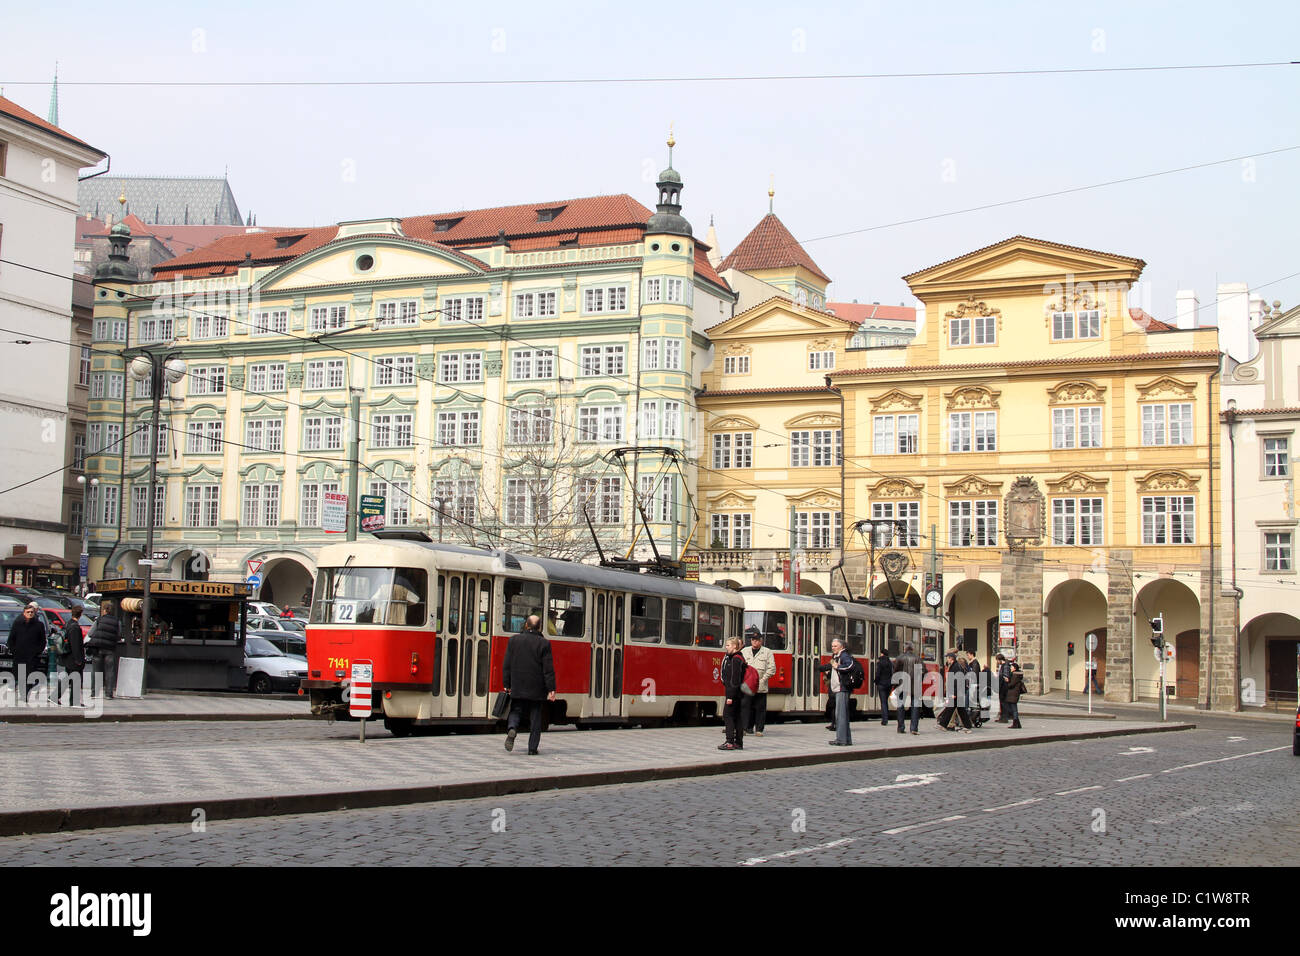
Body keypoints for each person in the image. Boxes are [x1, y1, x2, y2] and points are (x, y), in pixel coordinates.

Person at [502, 614, 556, 755]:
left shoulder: (513, 641)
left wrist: (506, 684)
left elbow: (506, 665)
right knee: (536, 717)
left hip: (518, 684)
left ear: (526, 625)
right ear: (539, 627)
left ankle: (512, 728)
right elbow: (548, 669)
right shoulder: (544, 643)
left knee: (515, 710)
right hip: (537, 688)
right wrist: (551, 689)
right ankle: (532, 749)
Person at [742, 626, 776, 737]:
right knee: (746, 707)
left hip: (761, 685)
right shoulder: (745, 651)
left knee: (760, 708)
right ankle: (746, 728)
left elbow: (772, 668)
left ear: (761, 640)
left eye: (756, 640)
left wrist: (763, 679)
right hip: (747, 685)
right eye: (753, 639)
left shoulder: (767, 652)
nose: (754, 641)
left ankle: (759, 729)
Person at [8, 602, 47, 698]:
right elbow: (11, 639)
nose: (30, 614)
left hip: (32, 656)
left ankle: (25, 693)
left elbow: (42, 641)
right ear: (24, 613)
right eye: (28, 612)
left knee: (30, 677)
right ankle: (23, 693)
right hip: (19, 655)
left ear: (34, 613)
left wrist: (38, 651)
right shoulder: (18, 624)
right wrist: (14, 650)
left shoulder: (39, 625)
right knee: (20, 677)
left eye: (32, 612)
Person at [85, 601, 120, 700]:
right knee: (110, 671)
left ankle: (94, 693)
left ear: (104, 610)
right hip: (110, 649)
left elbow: (91, 633)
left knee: (96, 671)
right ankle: (109, 694)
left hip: (98, 648)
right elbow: (118, 635)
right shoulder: (117, 621)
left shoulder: (99, 620)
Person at [719, 636, 749, 750]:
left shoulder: (735, 659)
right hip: (739, 693)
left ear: (735, 646)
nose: (726, 647)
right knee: (737, 717)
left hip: (734, 693)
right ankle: (738, 742)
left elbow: (735, 680)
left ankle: (730, 741)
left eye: (728, 645)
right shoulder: (738, 658)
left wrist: (730, 696)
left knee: (728, 715)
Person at [57, 604, 87, 706]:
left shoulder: (68, 624)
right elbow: (75, 645)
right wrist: (79, 660)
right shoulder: (75, 627)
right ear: (80, 614)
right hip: (73, 658)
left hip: (68, 657)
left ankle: (55, 696)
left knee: (69, 679)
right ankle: (74, 701)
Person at [936, 652, 973, 733]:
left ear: (951, 658)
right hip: (957, 691)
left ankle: (943, 724)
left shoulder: (956, 667)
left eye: (948, 658)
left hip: (957, 691)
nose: (947, 659)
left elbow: (957, 680)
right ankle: (967, 725)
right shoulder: (954, 666)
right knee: (960, 709)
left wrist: (955, 693)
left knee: (952, 708)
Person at [827, 638, 854, 746]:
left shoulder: (844, 655)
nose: (833, 648)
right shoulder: (837, 656)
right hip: (839, 688)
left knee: (840, 715)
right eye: (832, 646)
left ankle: (841, 740)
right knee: (842, 715)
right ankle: (846, 739)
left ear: (841, 646)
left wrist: (838, 666)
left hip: (842, 688)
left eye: (835, 646)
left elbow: (849, 665)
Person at [892, 643, 923, 735]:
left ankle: (900, 727)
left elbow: (895, 671)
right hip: (915, 686)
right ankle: (914, 728)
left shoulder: (899, 658)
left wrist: (895, 684)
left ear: (904, 649)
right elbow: (923, 671)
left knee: (900, 705)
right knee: (915, 706)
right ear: (912, 649)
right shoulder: (918, 659)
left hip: (901, 684)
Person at [964, 650, 984, 728]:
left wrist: (970, 684)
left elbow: (974, 675)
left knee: (968, 704)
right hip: (972, 685)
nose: (967, 657)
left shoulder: (975, 663)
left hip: (972, 686)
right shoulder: (972, 663)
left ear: (972, 654)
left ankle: (969, 719)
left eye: (968, 655)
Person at [874, 649, 894, 726]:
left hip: (881, 684)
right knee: (885, 701)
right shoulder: (890, 663)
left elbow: (878, 673)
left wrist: (876, 681)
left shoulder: (880, 662)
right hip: (889, 684)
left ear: (882, 654)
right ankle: (886, 718)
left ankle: (884, 720)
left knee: (883, 702)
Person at [1004, 662, 1025, 729]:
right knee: (1013, 708)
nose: (1010, 668)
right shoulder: (1015, 674)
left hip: (1013, 693)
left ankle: (1015, 723)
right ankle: (1017, 723)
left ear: (1014, 668)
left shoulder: (1015, 675)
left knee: (1013, 709)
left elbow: (1011, 684)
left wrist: (1007, 681)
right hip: (1013, 693)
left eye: (1011, 667)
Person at [994, 653, 1012, 722]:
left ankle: (1005, 717)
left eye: (998, 660)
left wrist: (1001, 677)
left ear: (1000, 659)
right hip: (1001, 686)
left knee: (1004, 702)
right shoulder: (1002, 666)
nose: (997, 662)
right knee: (1001, 702)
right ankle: (1002, 717)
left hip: (1004, 686)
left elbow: (1006, 677)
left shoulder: (1006, 665)